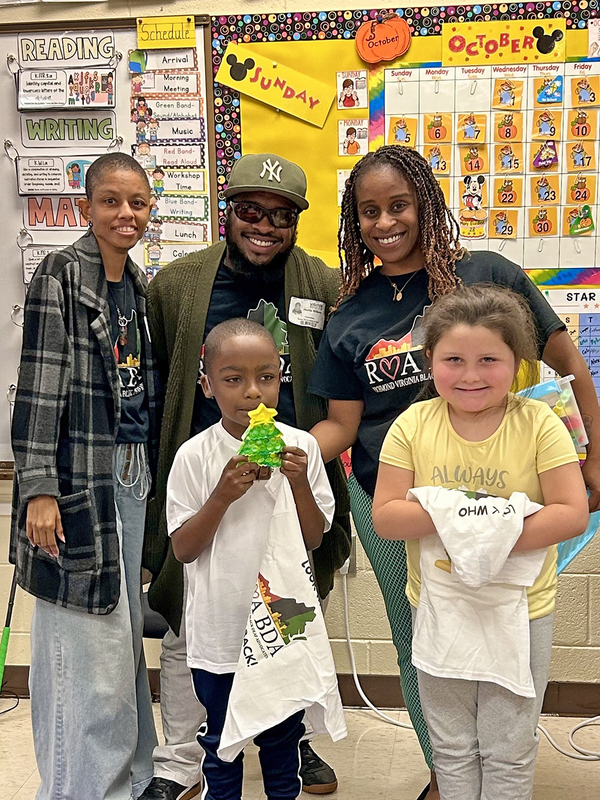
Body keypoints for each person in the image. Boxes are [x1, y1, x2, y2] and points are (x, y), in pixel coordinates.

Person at [308, 145, 600, 800]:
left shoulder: (487, 275)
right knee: (420, 637)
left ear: (427, 203)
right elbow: (343, 427)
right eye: (369, 211)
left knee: (507, 618)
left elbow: (568, 365)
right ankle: (447, 773)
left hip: (505, 492)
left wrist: (597, 457)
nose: (385, 222)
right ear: (354, 222)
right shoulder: (350, 315)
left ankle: (502, 764)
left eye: (399, 205)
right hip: (392, 500)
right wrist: (283, 453)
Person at [141, 153, 351, 800]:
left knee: (290, 614)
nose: (264, 226)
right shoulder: (177, 285)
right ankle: (182, 760)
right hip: (210, 475)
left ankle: (293, 738)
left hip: (289, 478)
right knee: (193, 624)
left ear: (297, 223)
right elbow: (158, 386)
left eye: (281, 216)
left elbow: (342, 380)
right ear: (227, 211)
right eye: (250, 211)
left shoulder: (322, 285)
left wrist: (300, 463)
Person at [372, 285, 589, 799]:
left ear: (517, 363)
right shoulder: (412, 425)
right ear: (429, 359)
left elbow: (571, 513)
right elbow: (386, 517)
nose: (470, 375)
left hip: (521, 609)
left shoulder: (540, 423)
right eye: (454, 360)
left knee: (509, 746)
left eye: (489, 360)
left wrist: (474, 532)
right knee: (450, 745)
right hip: (439, 606)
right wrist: (486, 521)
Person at [10, 152, 160, 800]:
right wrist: (40, 489)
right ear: (86, 207)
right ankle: (81, 789)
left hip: (132, 475)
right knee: (85, 650)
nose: (126, 214)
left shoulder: (140, 287)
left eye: (138, 203)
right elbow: (40, 389)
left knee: (121, 644)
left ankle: (131, 778)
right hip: (79, 482)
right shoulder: (62, 274)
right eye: (111, 201)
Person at [167, 318, 336, 799]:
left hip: (283, 629)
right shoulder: (195, 455)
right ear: (207, 385)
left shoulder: (302, 446)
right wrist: (222, 495)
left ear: (281, 379)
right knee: (222, 742)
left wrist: (299, 483)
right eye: (233, 379)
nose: (252, 392)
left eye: (266, 377)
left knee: (283, 740)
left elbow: (314, 538)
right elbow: (183, 548)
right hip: (219, 631)